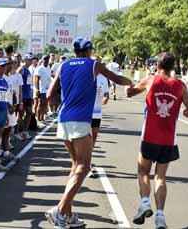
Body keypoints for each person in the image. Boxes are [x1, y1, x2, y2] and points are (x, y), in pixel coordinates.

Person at [44, 37, 133, 229]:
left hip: (63, 118)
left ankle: (67, 213)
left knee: (76, 164)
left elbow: (50, 94)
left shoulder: (64, 65)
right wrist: (132, 82)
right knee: (84, 166)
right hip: (80, 119)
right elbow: (117, 79)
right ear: (89, 51)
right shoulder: (94, 64)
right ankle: (59, 210)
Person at [126, 52, 188, 229]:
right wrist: (183, 111)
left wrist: (130, 86)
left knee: (142, 172)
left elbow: (130, 93)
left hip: (149, 136)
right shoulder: (181, 85)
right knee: (160, 177)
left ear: (158, 65)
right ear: (173, 67)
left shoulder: (150, 80)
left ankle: (145, 203)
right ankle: (160, 217)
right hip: (168, 139)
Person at [88, 54, 110, 178]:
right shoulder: (86, 76)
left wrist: (106, 99)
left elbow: (106, 93)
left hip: (97, 112)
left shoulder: (103, 78)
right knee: (86, 137)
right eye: (94, 61)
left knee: (94, 137)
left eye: (98, 61)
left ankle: (87, 160)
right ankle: (86, 163)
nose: (97, 63)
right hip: (85, 111)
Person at [17, 54, 34, 140]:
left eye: (31, 59)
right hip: (22, 96)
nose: (31, 61)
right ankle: (17, 132)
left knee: (29, 112)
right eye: (29, 59)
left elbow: (30, 84)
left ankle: (25, 131)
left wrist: (31, 96)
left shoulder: (29, 70)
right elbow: (17, 80)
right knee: (20, 114)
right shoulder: (21, 69)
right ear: (25, 60)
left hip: (28, 96)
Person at [34, 55, 51, 127]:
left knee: (45, 104)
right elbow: (36, 79)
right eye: (44, 59)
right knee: (40, 104)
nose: (46, 60)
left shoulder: (48, 67)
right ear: (42, 60)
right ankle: (38, 119)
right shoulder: (39, 68)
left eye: (47, 59)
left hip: (47, 89)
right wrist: (37, 89)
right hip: (41, 89)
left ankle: (42, 118)